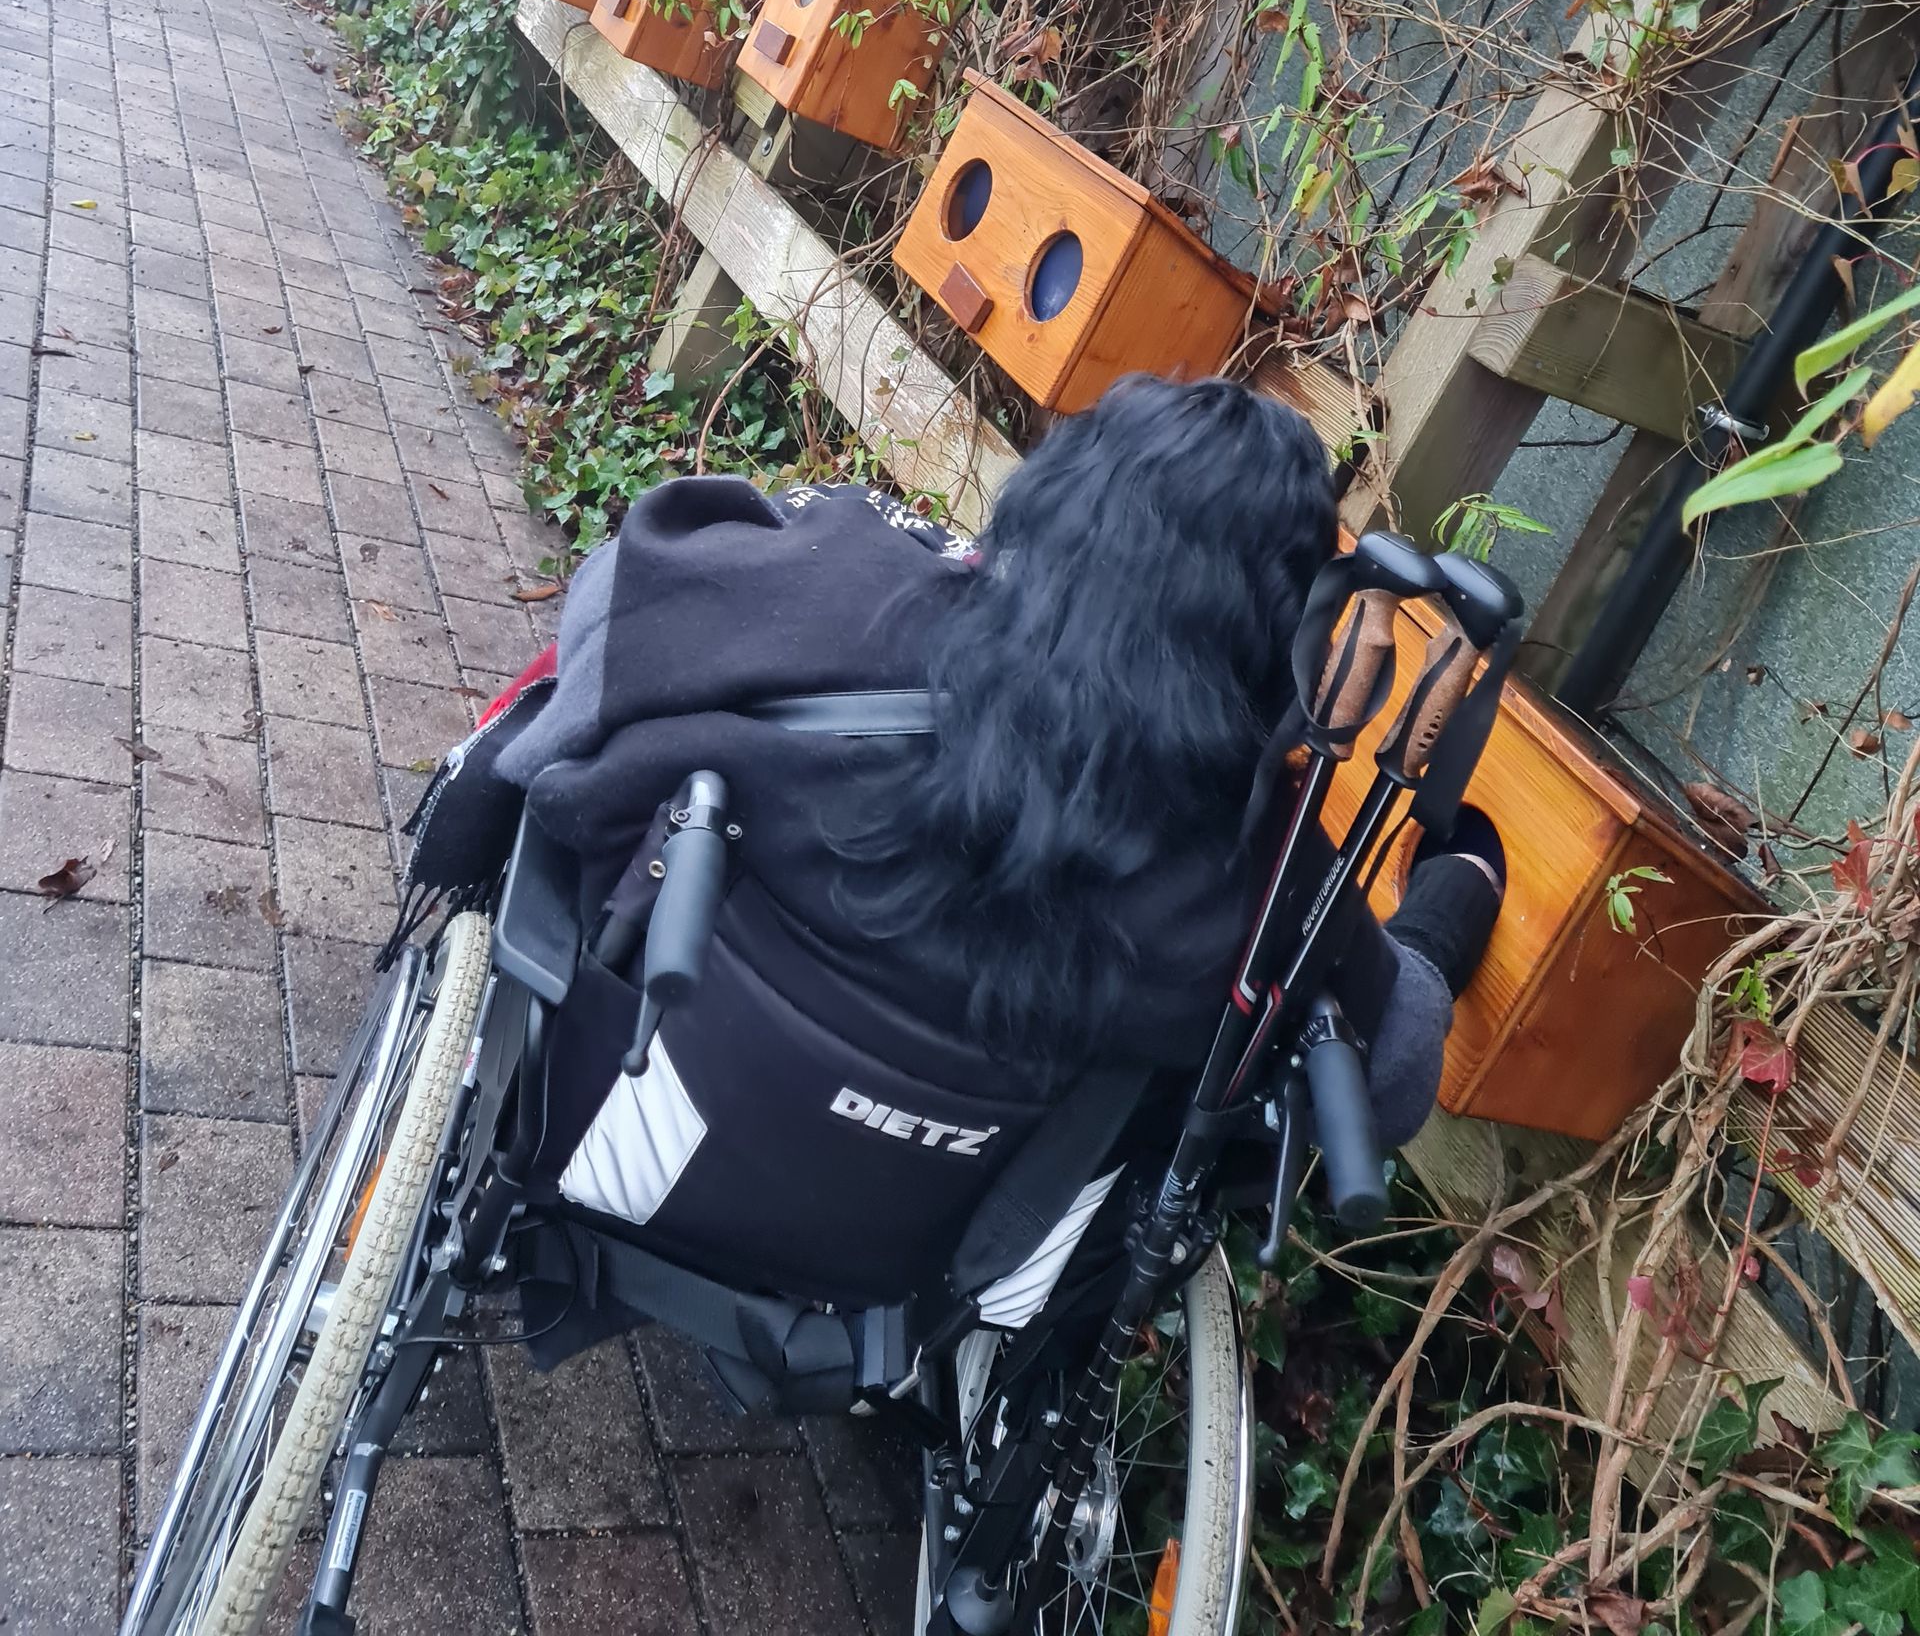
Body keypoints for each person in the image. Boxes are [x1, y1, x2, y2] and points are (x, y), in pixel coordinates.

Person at [415, 375, 1502, 1322]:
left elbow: (608, 607)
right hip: (912, 1263)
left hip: (625, 1104)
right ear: (1280, 633)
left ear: (1058, 498)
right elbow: (1394, 1073)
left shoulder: (838, 590)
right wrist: (1451, 897)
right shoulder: (1263, 875)